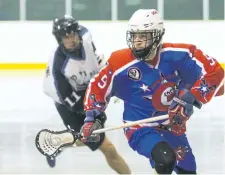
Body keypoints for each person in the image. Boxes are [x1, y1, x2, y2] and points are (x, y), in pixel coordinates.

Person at [80, 9, 224, 174]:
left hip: (172, 125)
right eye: (134, 36)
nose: (138, 42)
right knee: (165, 159)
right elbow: (97, 87)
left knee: (188, 171)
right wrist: (93, 117)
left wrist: (190, 98)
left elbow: (215, 72)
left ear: (157, 35)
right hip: (140, 126)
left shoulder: (180, 55)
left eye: (143, 36)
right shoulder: (119, 62)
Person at [42, 15, 131, 174]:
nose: (71, 40)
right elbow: (72, 102)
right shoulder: (59, 66)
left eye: (73, 34)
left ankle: (59, 141)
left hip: (84, 87)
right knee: (107, 147)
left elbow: (92, 60)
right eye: (66, 37)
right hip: (68, 104)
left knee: (88, 138)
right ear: (59, 39)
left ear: (78, 32)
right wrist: (94, 114)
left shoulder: (86, 36)